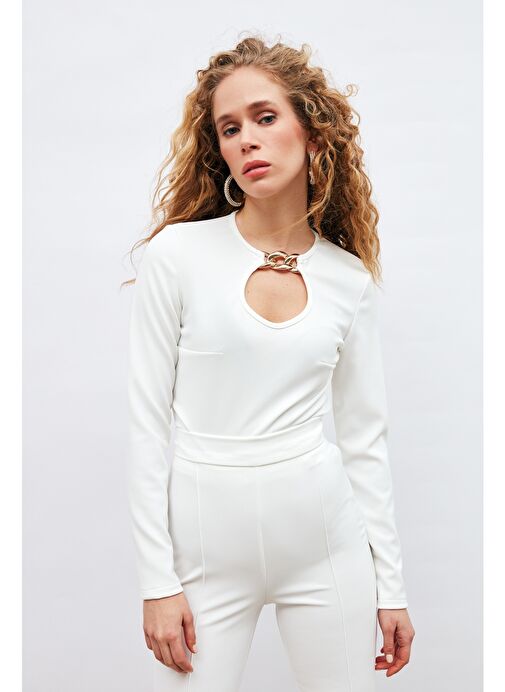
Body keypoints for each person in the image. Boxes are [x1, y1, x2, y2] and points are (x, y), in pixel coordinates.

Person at [124, 34, 415, 692]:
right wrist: (156, 583)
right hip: (203, 555)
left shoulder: (347, 279)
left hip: (326, 548)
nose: (247, 140)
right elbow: (145, 428)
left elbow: (364, 440)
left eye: (264, 117)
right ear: (219, 150)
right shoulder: (178, 256)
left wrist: (390, 588)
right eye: (230, 129)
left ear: (311, 133)